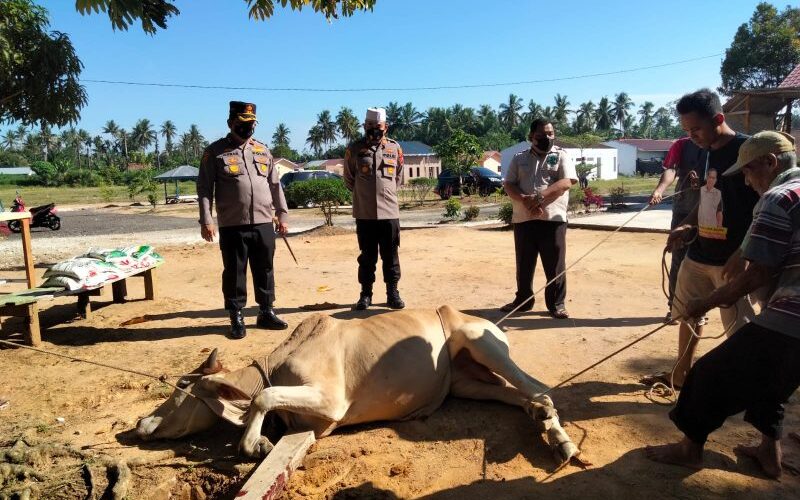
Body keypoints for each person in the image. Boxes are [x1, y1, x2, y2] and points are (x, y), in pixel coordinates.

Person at [645, 131, 800, 480]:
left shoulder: (777, 198)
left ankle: (689, 450)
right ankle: (769, 452)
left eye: (748, 171)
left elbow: (756, 275)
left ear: (770, 163)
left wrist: (705, 303)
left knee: (707, 375)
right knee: (771, 378)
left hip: (792, 314)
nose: (746, 181)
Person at [641, 89, 760, 389]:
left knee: (739, 328)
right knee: (688, 315)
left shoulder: (749, 151)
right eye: (686, 130)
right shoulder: (707, 151)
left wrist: (745, 251)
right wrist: (686, 225)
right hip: (700, 252)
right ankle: (680, 376)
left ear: (718, 120)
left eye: (695, 129)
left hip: (732, 260)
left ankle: (748, 389)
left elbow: (767, 208)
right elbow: (708, 197)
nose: (690, 136)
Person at [196, 101, 289, 339]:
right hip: (233, 223)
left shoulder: (262, 150)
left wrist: (282, 214)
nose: (247, 128)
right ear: (230, 123)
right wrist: (206, 220)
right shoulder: (215, 152)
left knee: (265, 268)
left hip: (263, 222)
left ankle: (266, 311)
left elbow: (275, 185)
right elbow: (204, 188)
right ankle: (236, 316)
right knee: (235, 272)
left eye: (251, 124)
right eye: (242, 123)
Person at [501, 118, 577, 318]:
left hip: (552, 219)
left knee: (555, 265)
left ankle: (556, 304)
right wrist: (524, 200)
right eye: (541, 135)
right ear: (531, 137)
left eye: (550, 134)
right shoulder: (519, 158)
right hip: (524, 219)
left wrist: (540, 197)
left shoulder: (561, 156)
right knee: (524, 264)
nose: (547, 138)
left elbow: (567, 182)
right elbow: (509, 184)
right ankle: (523, 301)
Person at [343, 107, 405, 310]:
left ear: (386, 127)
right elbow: (349, 179)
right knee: (367, 257)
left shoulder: (395, 148)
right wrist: (365, 195)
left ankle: (392, 293)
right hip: (365, 214)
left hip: (389, 213)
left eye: (377, 126)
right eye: (370, 125)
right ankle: (365, 294)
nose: (373, 129)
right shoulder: (354, 149)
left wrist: (385, 193)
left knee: (391, 255)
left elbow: (398, 177)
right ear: (364, 126)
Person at [649, 137, 707, 322]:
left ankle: (700, 309)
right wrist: (660, 190)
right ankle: (674, 307)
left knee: (703, 260)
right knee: (678, 258)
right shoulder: (681, 145)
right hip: (683, 209)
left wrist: (704, 182)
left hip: (709, 212)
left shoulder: (717, 145)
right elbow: (671, 169)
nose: (692, 133)